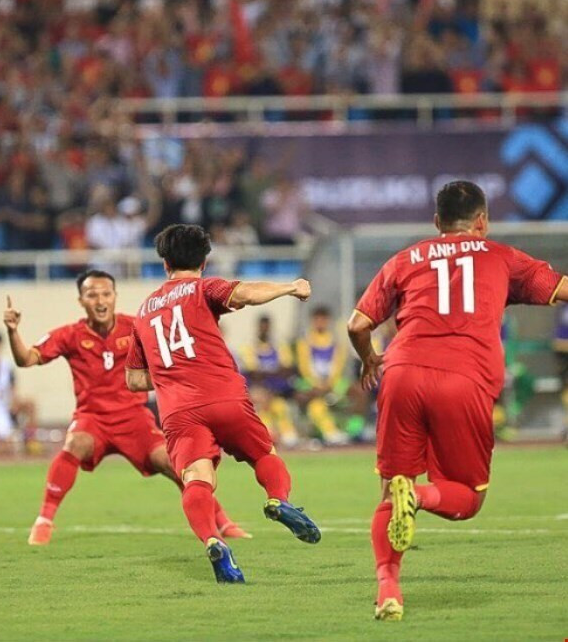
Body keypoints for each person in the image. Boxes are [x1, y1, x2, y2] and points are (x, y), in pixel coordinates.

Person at [347, 180, 567, 622]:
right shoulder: (503, 257)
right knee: (466, 497)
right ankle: (422, 497)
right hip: (463, 379)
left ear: (436, 222)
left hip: (401, 373)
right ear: (482, 221)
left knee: (390, 490)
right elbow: (561, 290)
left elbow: (356, 324)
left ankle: (389, 590)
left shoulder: (404, 259)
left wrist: (370, 359)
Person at [125, 224, 321, 584]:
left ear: (165, 263)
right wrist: (290, 287)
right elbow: (244, 293)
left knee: (196, 478)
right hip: (224, 397)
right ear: (204, 260)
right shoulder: (204, 287)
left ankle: (213, 540)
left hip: (178, 411)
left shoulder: (143, 312)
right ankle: (278, 499)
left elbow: (135, 380)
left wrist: (172, 373)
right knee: (264, 455)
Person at [5, 269, 249, 546]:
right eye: (92, 295)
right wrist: (13, 332)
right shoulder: (70, 335)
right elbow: (26, 359)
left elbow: (175, 343)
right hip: (92, 418)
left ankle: (223, 522)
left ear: (115, 297)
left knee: (173, 463)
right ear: (81, 301)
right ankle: (44, 521)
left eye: (106, 294)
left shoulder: (136, 327)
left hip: (135, 421)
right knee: (75, 444)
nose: (100, 300)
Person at [294, 306, 361, 445]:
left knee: (358, 392)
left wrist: (329, 383)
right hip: (311, 383)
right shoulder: (305, 341)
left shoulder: (336, 342)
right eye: (317, 319)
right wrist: (317, 384)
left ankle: (356, 431)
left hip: (333, 383)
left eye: (323, 319)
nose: (320, 322)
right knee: (308, 399)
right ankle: (328, 432)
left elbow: (338, 365)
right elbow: (304, 367)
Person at [236, 315, 299, 448]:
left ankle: (289, 436)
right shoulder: (249, 347)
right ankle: (268, 436)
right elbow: (253, 373)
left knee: (280, 407)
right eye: (262, 326)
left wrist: (267, 374)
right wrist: (274, 372)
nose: (264, 329)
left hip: (276, 393)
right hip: (259, 394)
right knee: (262, 412)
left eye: (267, 326)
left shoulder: (280, 346)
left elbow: (287, 369)